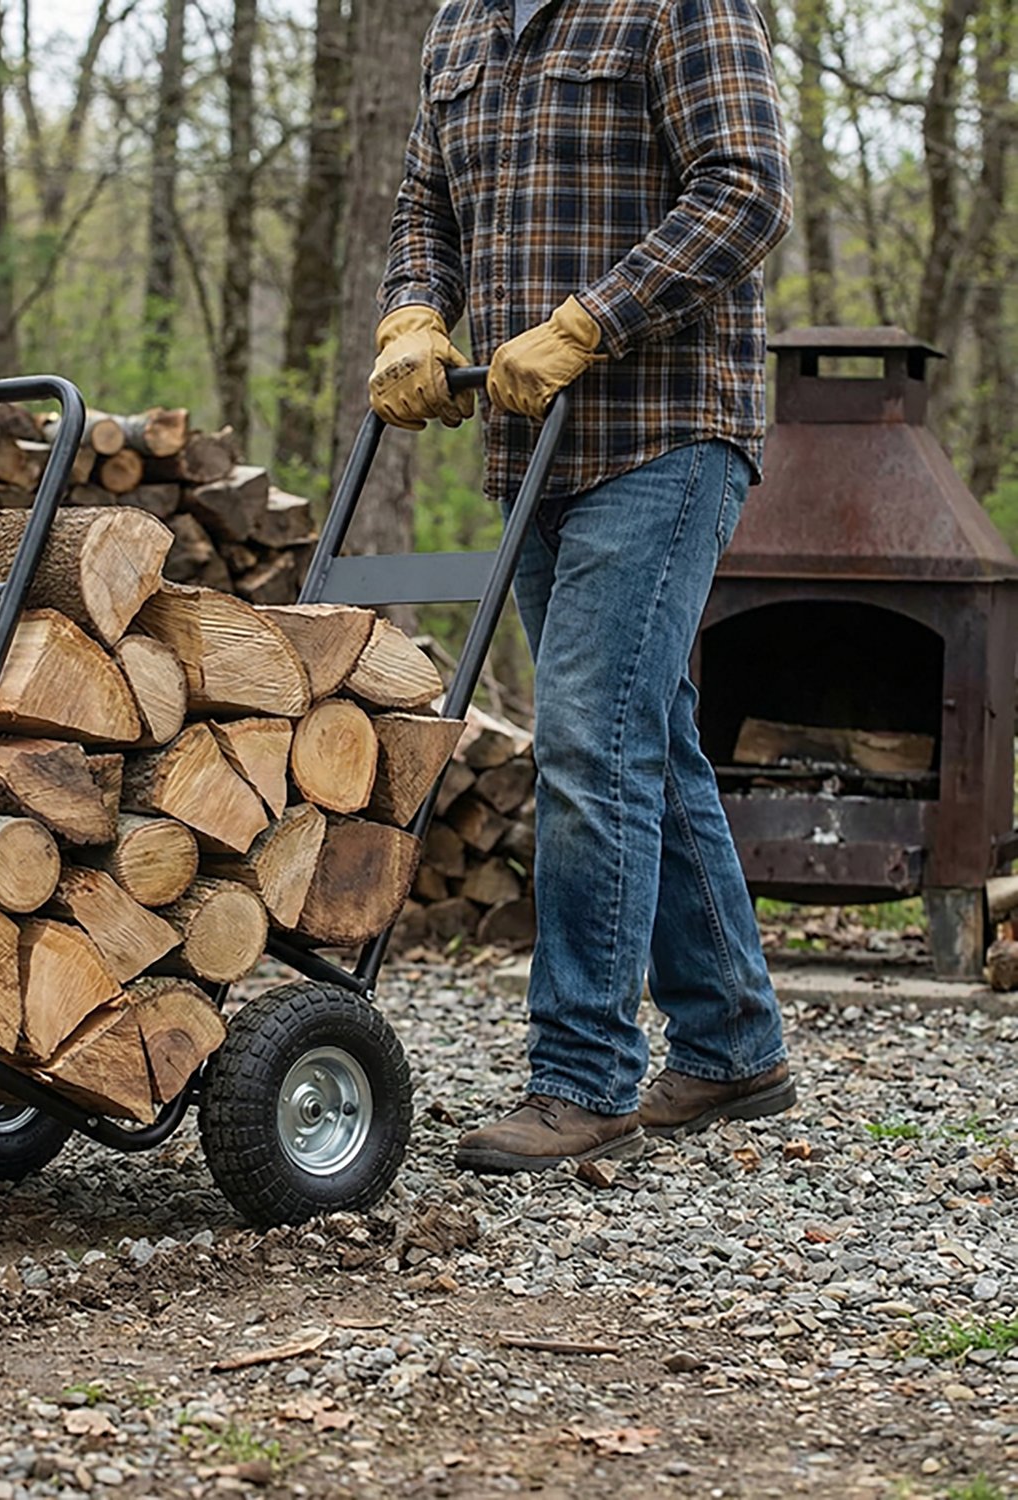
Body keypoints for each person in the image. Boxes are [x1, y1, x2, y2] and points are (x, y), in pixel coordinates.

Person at [369, 0, 797, 1171]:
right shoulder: (461, 27)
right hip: (526, 445)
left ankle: (583, 1078)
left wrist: (589, 321)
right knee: (641, 739)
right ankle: (731, 1044)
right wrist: (414, 312)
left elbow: (745, 190)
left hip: (665, 431)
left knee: (587, 745)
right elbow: (425, 209)